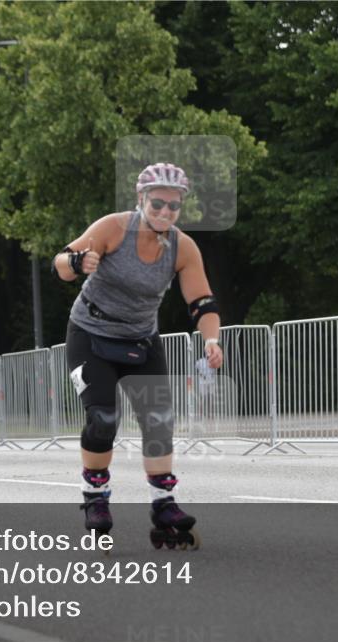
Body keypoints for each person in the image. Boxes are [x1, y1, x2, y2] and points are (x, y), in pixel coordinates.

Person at [52, 162, 223, 549]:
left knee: (160, 421)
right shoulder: (114, 228)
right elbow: (60, 263)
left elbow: (201, 302)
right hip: (91, 335)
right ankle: (95, 497)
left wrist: (212, 340)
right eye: (158, 203)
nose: (165, 212)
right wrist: (78, 263)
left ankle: (164, 504)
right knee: (102, 418)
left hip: (141, 341)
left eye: (173, 206)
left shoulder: (183, 247)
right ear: (141, 199)